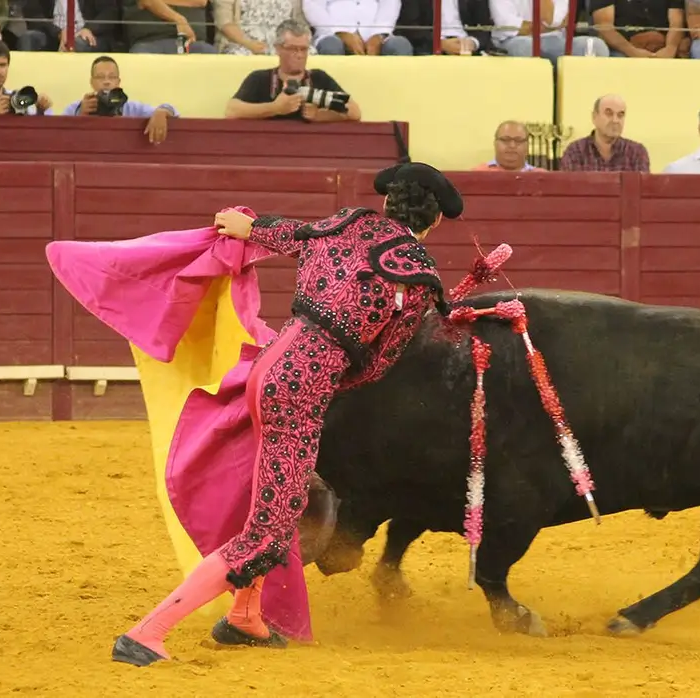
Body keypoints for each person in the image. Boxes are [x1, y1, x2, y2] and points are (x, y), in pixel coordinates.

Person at [111, 162, 464, 666]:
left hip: (269, 363)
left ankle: (244, 617)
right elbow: (382, 362)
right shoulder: (419, 275)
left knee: (275, 504)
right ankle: (147, 632)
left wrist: (246, 228)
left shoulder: (346, 223)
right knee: (269, 528)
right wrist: (333, 381)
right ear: (433, 223)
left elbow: (289, 233)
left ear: (387, 203)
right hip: (300, 388)